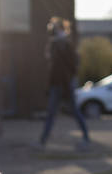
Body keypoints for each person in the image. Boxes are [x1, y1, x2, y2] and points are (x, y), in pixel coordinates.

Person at [38, 17, 90, 149]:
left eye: (55, 28)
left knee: (71, 111)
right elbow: (55, 67)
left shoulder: (64, 45)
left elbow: (70, 66)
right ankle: (43, 140)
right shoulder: (56, 44)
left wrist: (66, 82)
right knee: (53, 112)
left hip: (64, 84)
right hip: (58, 84)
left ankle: (86, 136)